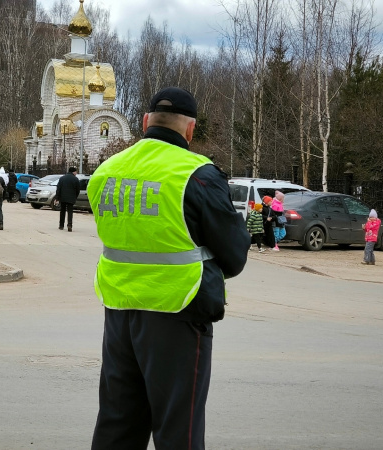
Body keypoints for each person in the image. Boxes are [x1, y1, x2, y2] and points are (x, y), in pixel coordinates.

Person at [87, 87, 248, 449]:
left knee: (117, 422)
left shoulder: (105, 172)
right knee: (179, 429)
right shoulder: (197, 174)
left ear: (145, 122)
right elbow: (235, 254)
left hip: (119, 310)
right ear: (189, 130)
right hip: (178, 308)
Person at [56, 167, 80, 232]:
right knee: (70, 212)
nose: (76, 173)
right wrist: (75, 197)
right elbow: (78, 190)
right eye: (76, 172)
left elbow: (58, 188)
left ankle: (61, 225)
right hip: (71, 198)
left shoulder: (62, 178)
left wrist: (57, 198)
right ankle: (69, 225)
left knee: (62, 211)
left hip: (63, 198)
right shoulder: (75, 179)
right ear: (73, 172)